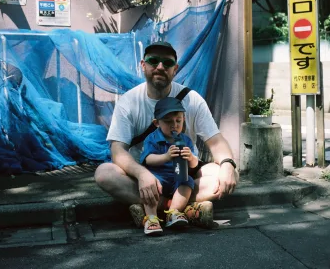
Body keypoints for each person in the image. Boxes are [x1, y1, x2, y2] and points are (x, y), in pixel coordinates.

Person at [94, 41, 239, 229]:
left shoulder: (192, 99)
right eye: (153, 61)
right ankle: (185, 210)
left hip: (183, 172)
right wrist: (141, 174)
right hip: (148, 174)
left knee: (227, 173)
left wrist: (227, 165)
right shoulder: (129, 101)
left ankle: (156, 211)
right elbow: (117, 150)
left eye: (167, 63)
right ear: (143, 65)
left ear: (175, 69)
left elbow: (216, 141)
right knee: (104, 173)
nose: (160, 67)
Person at [139, 97, 199, 235]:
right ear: (156, 123)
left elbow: (194, 164)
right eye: (168, 121)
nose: (175, 125)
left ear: (183, 119)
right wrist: (166, 156)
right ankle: (151, 218)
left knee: (187, 181)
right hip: (158, 176)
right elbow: (148, 159)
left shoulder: (185, 139)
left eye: (178, 120)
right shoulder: (152, 138)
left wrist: (190, 157)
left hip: (177, 175)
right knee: (150, 186)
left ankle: (173, 212)